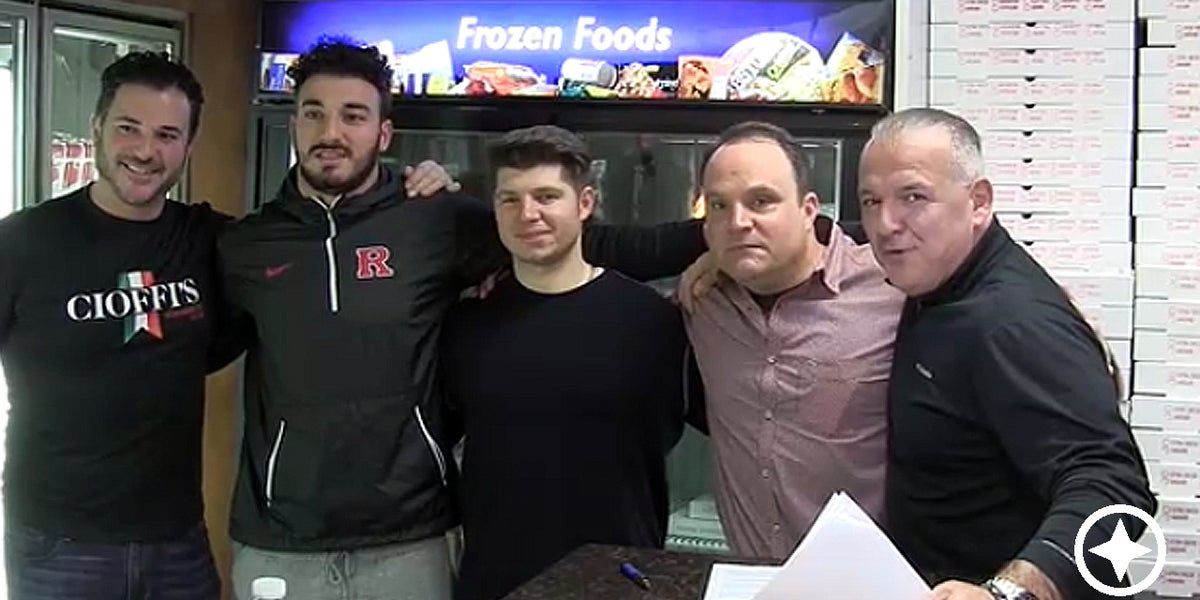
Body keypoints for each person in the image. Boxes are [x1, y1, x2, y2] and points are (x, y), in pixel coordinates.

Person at [219, 40, 705, 600]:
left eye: (353, 115)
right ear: (293, 124)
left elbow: (577, 243)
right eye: (314, 113)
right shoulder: (245, 246)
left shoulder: (435, 220)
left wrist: (723, 244)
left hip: (411, 540)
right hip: (281, 539)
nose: (331, 132)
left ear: (384, 133)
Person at [0, 50, 457, 600]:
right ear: (96, 127)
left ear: (188, 145)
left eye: (167, 135)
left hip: (178, 541)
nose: (145, 150)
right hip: (57, 542)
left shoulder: (214, 241)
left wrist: (423, 180)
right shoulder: (21, 243)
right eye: (128, 128)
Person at [856, 107, 1154, 600]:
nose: (885, 224)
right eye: (871, 201)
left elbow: (1117, 491)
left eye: (913, 197)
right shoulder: (936, 277)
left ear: (978, 202)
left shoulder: (1012, 322)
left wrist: (1010, 592)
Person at [440, 125, 695, 600]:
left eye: (546, 196)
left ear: (584, 203)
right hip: (496, 582)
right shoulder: (466, 325)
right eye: (510, 199)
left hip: (619, 580)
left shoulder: (651, 321)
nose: (528, 214)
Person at [680, 121, 904, 560]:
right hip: (752, 576)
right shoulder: (703, 301)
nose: (738, 222)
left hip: (874, 576)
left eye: (761, 202)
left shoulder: (892, 289)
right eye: (719, 206)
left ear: (808, 210)